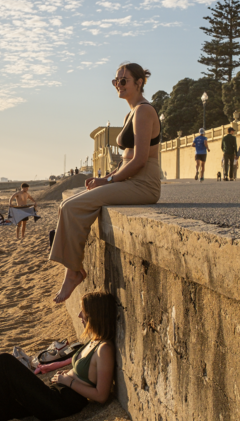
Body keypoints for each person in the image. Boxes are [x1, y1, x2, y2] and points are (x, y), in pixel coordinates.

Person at [50, 62, 161, 303]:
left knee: (72, 207)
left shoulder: (144, 111)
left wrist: (108, 180)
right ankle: (73, 269)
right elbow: (127, 158)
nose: (118, 85)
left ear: (139, 82)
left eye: (123, 81)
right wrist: (107, 176)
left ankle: (73, 272)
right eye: (115, 81)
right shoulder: (130, 112)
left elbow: (140, 160)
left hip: (143, 184)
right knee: (66, 205)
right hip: (129, 179)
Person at [0, 291, 117, 421]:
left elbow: (101, 395)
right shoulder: (93, 341)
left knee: (3, 363)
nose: (80, 315)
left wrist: (69, 381)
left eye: (84, 312)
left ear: (95, 316)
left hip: (60, 404)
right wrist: (60, 374)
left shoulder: (105, 350)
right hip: (53, 393)